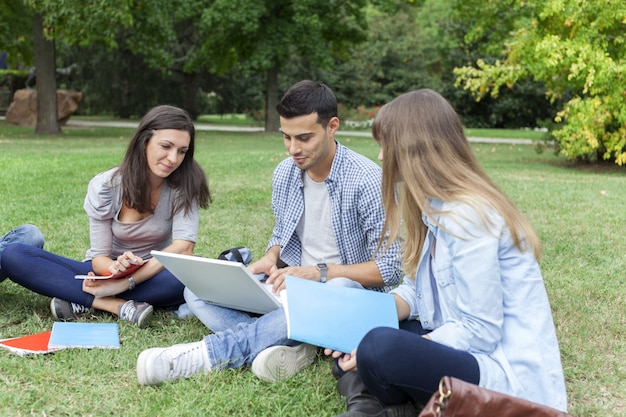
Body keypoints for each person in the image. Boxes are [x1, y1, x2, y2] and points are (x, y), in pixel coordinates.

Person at [136, 80, 402, 385]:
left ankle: (209, 355)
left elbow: (391, 268)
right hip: (292, 290)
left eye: (304, 138)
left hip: (345, 293)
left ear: (332, 126)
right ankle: (297, 339)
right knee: (195, 292)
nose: (293, 149)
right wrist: (271, 256)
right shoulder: (285, 173)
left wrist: (320, 273)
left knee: (340, 286)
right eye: (286, 137)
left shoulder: (368, 180)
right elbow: (283, 231)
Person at [325, 89, 569, 416]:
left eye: (386, 145)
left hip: (498, 371)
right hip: (458, 341)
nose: (381, 158)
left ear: (414, 147)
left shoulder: (468, 215)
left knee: (378, 347)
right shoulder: (431, 207)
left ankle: (373, 397)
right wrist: (365, 315)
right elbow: (417, 293)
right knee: (358, 320)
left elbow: (481, 331)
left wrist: (397, 345)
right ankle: (383, 404)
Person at [1, 105, 211, 328]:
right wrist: (115, 271)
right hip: (103, 274)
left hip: (154, 272)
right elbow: (100, 258)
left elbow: (183, 249)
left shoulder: (185, 185)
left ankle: (81, 301)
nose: (173, 158)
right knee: (14, 254)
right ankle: (113, 306)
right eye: (166, 146)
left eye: (182, 151)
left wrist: (126, 283)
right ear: (144, 142)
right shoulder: (106, 185)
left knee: (188, 276)